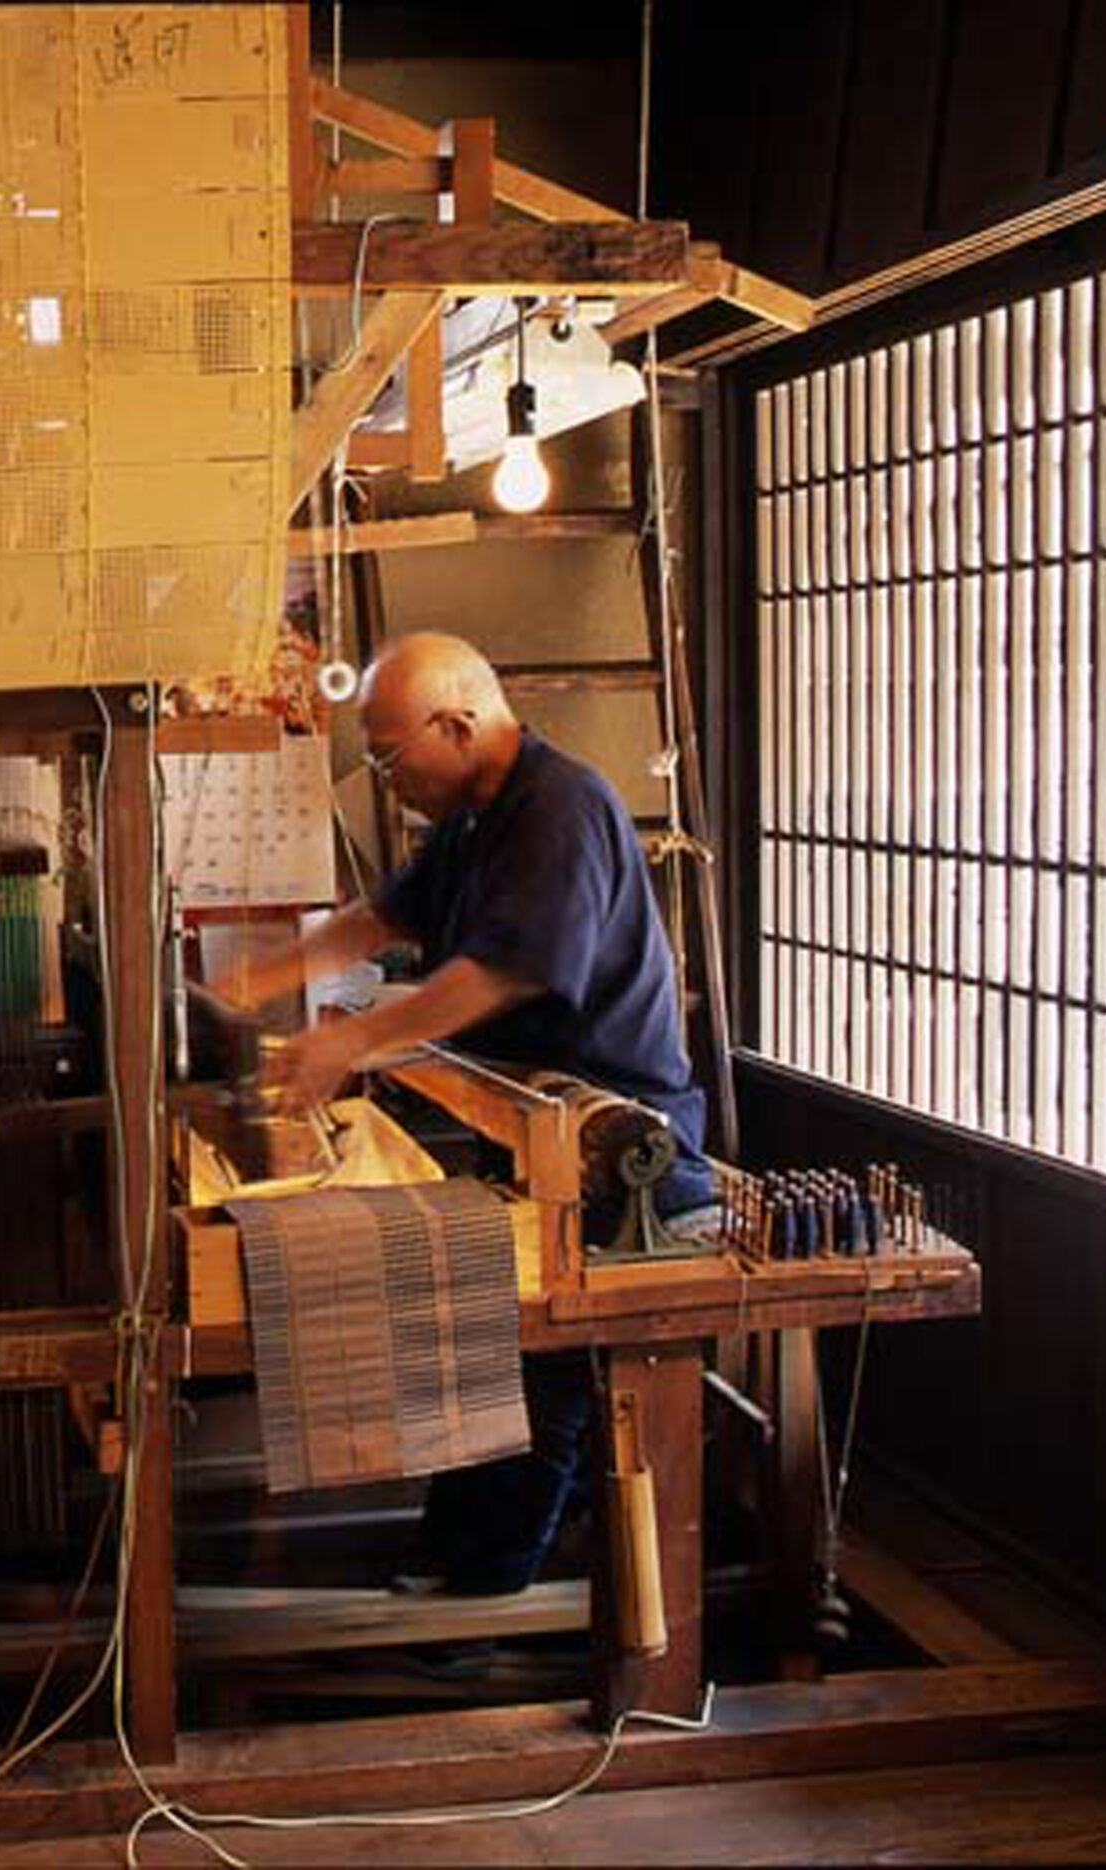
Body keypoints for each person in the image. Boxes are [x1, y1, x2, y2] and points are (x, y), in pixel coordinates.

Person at [218, 631, 717, 1600]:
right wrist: (255, 978)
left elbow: (497, 974)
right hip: (534, 1133)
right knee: (488, 1348)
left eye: (389, 752)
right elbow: (382, 919)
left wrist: (349, 1044)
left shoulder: (558, 807)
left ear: (458, 723)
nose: (384, 775)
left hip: (620, 1142)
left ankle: (485, 1589)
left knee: (544, 1373)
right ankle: (463, 1555)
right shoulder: (473, 820)